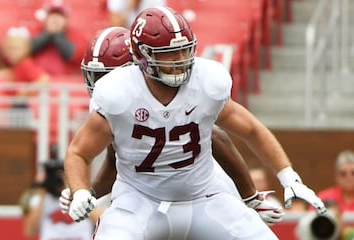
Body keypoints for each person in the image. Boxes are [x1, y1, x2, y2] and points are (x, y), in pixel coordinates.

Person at [64, 6, 325, 239]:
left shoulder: (205, 81)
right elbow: (83, 153)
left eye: (183, 51)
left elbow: (248, 131)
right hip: (140, 198)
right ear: (140, 57)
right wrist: (81, 191)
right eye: (169, 53)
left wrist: (284, 179)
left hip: (204, 194)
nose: (180, 61)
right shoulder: (116, 93)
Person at [19, 159, 93, 240]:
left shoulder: (81, 196)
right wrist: (44, 187)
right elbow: (30, 232)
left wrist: (71, 188)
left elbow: (96, 217)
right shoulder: (39, 200)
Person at [29, 0, 87, 75]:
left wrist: (57, 35)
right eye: (52, 14)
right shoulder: (35, 31)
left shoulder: (75, 35)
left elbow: (73, 56)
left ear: (66, 18)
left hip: (65, 82)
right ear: (46, 17)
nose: (55, 18)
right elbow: (24, 51)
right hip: (37, 81)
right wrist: (47, 34)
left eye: (60, 15)